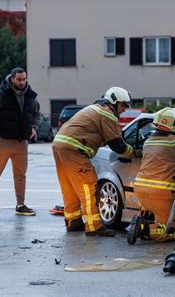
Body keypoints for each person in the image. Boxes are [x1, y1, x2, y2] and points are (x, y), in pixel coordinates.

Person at [52, 87, 134, 237]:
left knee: (70, 187)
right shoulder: (107, 114)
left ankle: (73, 221)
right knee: (88, 186)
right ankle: (94, 226)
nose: (124, 110)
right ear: (114, 102)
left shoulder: (94, 109)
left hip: (59, 145)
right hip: (74, 149)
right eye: (123, 105)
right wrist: (134, 152)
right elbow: (117, 145)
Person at [126, 107, 175, 245]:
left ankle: (142, 221)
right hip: (161, 192)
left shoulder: (148, 142)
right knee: (170, 231)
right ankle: (143, 228)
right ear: (173, 124)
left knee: (151, 211)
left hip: (140, 189)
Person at [0, 68, 41, 217]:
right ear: (12, 79)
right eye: (19, 79)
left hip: (21, 143)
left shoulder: (31, 96)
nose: (22, 82)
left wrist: (34, 128)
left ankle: (20, 205)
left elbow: (37, 114)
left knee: (20, 175)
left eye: (24, 79)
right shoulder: (0, 96)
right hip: (2, 142)